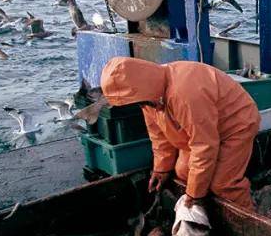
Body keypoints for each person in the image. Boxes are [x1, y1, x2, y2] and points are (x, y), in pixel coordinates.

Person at [100, 57, 261, 211]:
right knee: (183, 173)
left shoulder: (185, 94)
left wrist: (195, 195)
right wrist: (161, 169)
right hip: (200, 132)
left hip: (235, 125)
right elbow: (159, 136)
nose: (137, 105)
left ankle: (250, 222)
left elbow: (204, 145)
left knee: (222, 185)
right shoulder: (148, 98)